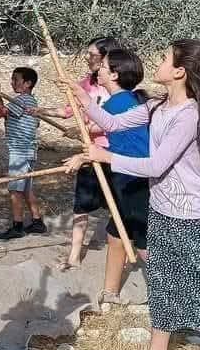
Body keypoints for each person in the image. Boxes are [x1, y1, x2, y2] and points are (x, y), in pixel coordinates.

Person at [65, 39, 200, 350]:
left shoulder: (189, 115)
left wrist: (106, 156)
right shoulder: (156, 106)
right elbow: (113, 124)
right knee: (161, 284)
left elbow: (156, 165)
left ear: (179, 72)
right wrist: (82, 97)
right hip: (161, 211)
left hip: (193, 218)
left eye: (165, 58)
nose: (157, 62)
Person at [63, 49, 151, 299]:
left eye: (102, 66)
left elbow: (133, 149)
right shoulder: (125, 101)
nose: (97, 69)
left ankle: (177, 292)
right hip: (125, 177)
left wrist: (84, 157)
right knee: (115, 235)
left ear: (114, 74)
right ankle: (110, 294)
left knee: (145, 246)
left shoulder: (119, 104)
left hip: (135, 181)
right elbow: (113, 137)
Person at [29, 37, 119, 261]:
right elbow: (67, 111)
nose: (88, 58)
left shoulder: (118, 87)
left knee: (118, 207)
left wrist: (85, 129)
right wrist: (41, 111)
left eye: (93, 55)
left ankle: (124, 252)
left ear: (105, 58)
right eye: (87, 53)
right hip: (89, 152)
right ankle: (74, 255)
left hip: (114, 154)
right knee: (81, 205)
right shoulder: (86, 83)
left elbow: (116, 121)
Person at [0, 67, 46, 240]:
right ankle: (37, 221)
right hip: (29, 151)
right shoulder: (32, 102)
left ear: (27, 83)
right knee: (26, 188)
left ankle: (17, 225)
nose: (12, 82)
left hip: (20, 151)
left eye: (16, 79)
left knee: (15, 189)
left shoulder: (22, 100)